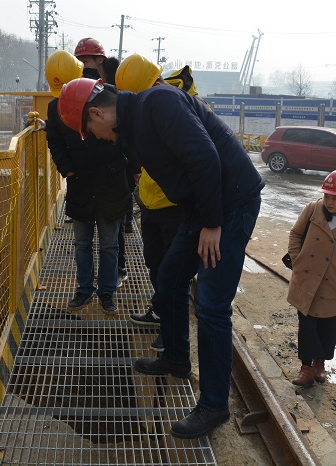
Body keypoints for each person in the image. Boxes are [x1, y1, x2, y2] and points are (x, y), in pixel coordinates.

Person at [56, 77, 264, 439]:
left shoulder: (158, 103)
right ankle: (177, 357)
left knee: (212, 305)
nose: (97, 138)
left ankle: (214, 405)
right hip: (201, 207)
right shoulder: (135, 123)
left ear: (98, 114)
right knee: (169, 277)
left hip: (230, 204)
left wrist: (211, 223)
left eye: (90, 131)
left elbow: (204, 156)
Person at [115, 54, 201, 353]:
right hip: (151, 201)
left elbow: (198, 159)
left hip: (175, 205)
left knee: (173, 272)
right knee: (154, 262)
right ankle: (160, 310)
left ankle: (171, 331)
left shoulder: (180, 107)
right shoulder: (151, 108)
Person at [44, 51, 131, 314]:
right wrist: (67, 170)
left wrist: (125, 171)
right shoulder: (55, 108)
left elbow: (128, 138)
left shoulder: (109, 97)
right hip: (80, 182)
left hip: (111, 183)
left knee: (109, 243)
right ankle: (84, 290)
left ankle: (107, 293)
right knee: (82, 243)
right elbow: (55, 141)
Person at [286, 170, 336, 387]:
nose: (329, 202)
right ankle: (306, 369)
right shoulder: (313, 209)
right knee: (307, 326)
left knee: (327, 326)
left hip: (333, 284)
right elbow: (295, 234)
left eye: (335, 198)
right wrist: (297, 262)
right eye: (327, 196)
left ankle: (319, 364)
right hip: (306, 279)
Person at [75, 37, 134, 288]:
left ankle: (118, 270)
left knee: (114, 226)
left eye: (86, 60)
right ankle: (98, 280)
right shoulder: (81, 88)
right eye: (79, 61)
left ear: (100, 59)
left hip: (117, 168)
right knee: (95, 235)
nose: (83, 66)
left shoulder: (117, 86)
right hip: (92, 173)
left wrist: (129, 166)